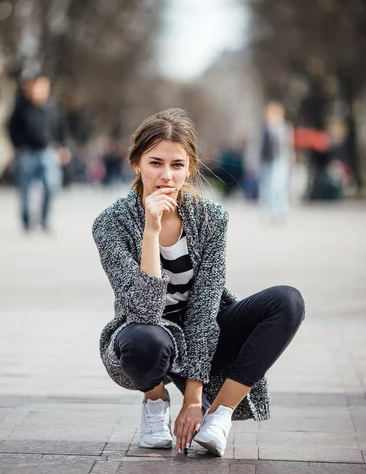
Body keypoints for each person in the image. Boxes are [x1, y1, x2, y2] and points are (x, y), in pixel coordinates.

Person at [92, 108, 305, 457]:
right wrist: (152, 230)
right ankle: (155, 401)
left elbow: (205, 309)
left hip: (203, 336)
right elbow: (143, 311)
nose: (166, 176)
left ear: (189, 167)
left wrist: (194, 399)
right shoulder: (110, 224)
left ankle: (219, 414)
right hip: (148, 339)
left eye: (177, 165)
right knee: (144, 338)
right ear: (136, 164)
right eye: (155, 163)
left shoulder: (211, 218)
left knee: (288, 301)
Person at [7, 74, 70, 232]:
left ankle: (44, 220)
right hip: (26, 151)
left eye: (44, 87)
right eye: (37, 87)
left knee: (51, 185)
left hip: (47, 151)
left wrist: (63, 147)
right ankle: (27, 221)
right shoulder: (22, 106)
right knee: (25, 188)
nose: (40, 91)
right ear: (31, 89)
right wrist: (18, 145)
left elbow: (61, 129)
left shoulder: (53, 107)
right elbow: (11, 127)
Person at [259, 101, 294, 221]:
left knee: (279, 186)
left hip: (280, 161)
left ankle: (281, 211)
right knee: (266, 187)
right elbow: (259, 145)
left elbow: (287, 146)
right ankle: (268, 211)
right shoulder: (264, 128)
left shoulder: (284, 128)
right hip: (266, 161)